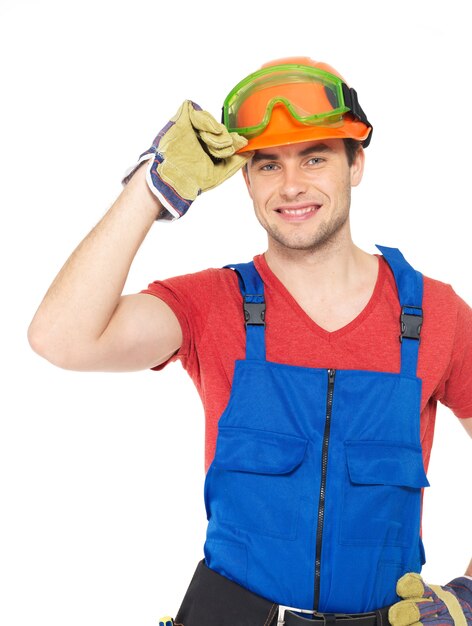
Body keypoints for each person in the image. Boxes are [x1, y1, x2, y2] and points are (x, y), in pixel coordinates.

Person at [28, 57, 472, 626]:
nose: (291, 186)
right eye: (267, 165)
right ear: (243, 178)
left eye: (315, 158)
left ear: (355, 163)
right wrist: (152, 185)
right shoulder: (212, 305)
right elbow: (61, 339)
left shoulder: (435, 314)